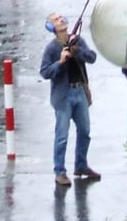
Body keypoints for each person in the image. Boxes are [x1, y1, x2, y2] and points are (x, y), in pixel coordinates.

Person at [39, 11, 101, 187]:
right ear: (52, 27)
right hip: (63, 96)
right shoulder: (51, 49)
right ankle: (59, 171)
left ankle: (81, 165)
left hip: (79, 91)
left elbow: (92, 58)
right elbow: (44, 72)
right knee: (62, 136)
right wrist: (60, 62)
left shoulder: (77, 41)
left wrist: (77, 50)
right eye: (55, 20)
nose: (60, 20)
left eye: (61, 18)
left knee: (85, 131)